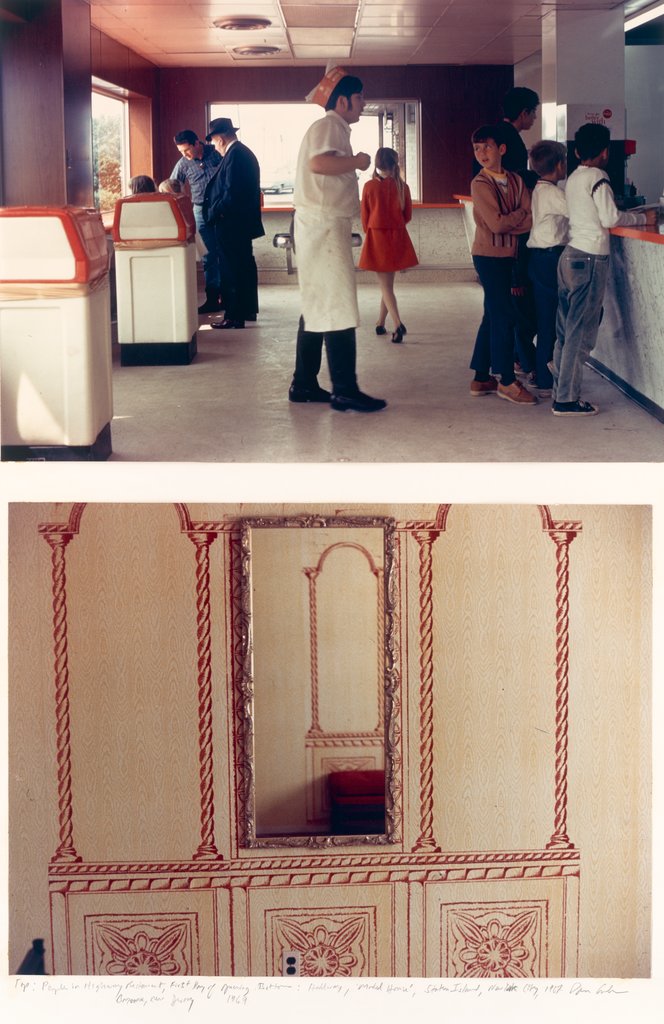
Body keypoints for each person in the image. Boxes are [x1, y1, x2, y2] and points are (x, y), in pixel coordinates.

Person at [288, 66, 386, 413]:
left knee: (317, 305)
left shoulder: (332, 127)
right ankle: (345, 388)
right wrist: (356, 162)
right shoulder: (329, 125)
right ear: (342, 100)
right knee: (338, 305)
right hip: (324, 225)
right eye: (359, 97)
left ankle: (304, 383)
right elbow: (318, 163)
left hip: (320, 224)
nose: (363, 103)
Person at [552, 122, 656, 416]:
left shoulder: (573, 178)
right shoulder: (599, 176)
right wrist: (642, 219)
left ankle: (560, 389)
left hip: (570, 256)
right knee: (580, 332)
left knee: (566, 330)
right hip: (590, 259)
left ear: (575, 151)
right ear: (605, 152)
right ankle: (566, 400)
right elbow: (610, 218)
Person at [468, 124, 537, 405]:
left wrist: (514, 218)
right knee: (505, 316)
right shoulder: (480, 183)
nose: (481, 153)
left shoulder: (517, 180)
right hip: (487, 257)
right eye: (476, 148)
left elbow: (530, 220)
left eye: (487, 146)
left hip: (507, 256)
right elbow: (496, 224)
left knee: (492, 314)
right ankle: (506, 381)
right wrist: (519, 214)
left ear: (502, 149)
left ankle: (481, 376)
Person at [202, 117, 264, 330]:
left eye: (213, 141)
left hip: (231, 223)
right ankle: (245, 310)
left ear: (219, 138)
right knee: (243, 266)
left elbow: (230, 193)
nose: (214, 146)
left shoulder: (235, 154)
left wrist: (213, 212)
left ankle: (233, 315)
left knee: (231, 269)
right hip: (239, 223)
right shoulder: (240, 152)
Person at [358, 147, 418, 344]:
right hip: (397, 237)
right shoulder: (403, 187)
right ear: (394, 164)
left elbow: (365, 218)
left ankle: (398, 324)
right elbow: (407, 216)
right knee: (388, 286)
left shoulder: (368, 187)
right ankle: (380, 323)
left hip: (377, 237)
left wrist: (373, 230)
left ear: (377, 163)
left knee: (385, 287)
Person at [526, 140, 569, 394]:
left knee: (546, 320)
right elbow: (583, 212)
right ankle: (545, 375)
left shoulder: (541, 189)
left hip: (540, 259)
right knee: (550, 322)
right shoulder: (553, 193)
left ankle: (542, 374)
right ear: (560, 164)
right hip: (549, 259)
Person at [171, 129, 223, 314]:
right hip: (199, 210)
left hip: (221, 209)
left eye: (186, 150)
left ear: (197, 143)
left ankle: (228, 297)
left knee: (224, 252)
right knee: (208, 256)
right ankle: (212, 299)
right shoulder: (183, 163)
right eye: (181, 152)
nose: (185, 155)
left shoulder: (217, 154)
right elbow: (171, 188)